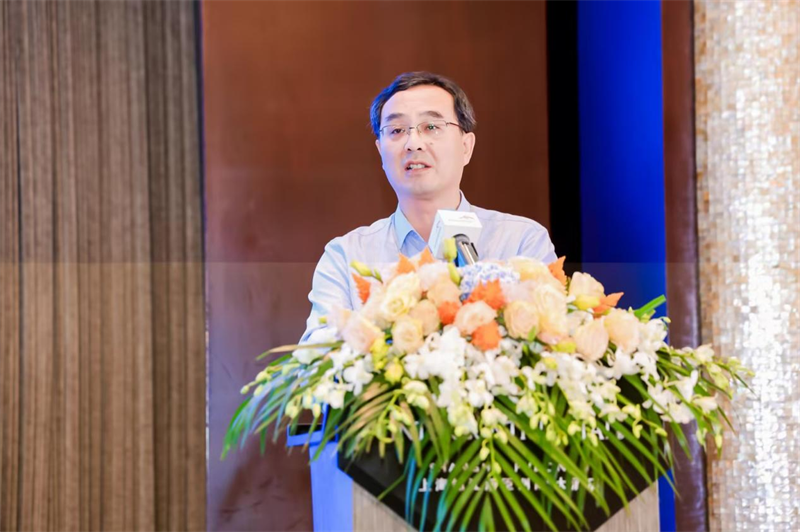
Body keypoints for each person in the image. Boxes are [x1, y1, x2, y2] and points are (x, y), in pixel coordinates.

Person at [302, 71, 556, 341]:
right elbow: (316, 356)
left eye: (431, 127)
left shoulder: (521, 242)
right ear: (380, 152)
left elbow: (553, 339)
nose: (413, 143)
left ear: (466, 147)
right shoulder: (346, 256)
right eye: (397, 130)